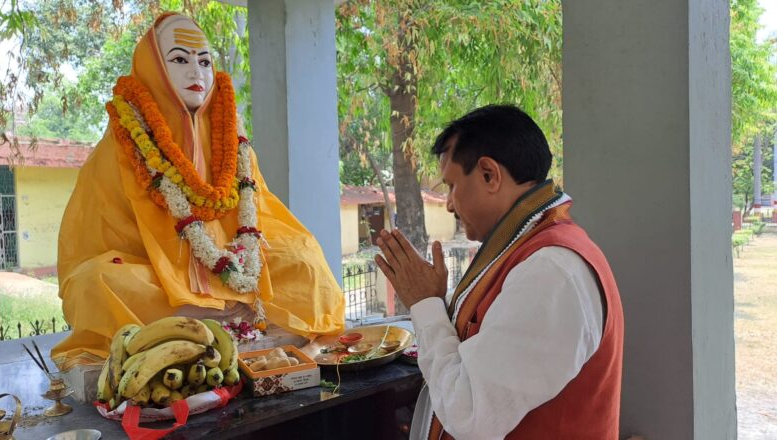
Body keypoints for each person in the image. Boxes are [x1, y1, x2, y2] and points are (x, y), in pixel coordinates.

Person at [52, 13, 344, 371]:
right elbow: (97, 236)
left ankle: (205, 327)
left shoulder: (233, 144)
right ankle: (206, 323)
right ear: (153, 69)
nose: (196, 72)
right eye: (179, 59)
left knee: (305, 257)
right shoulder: (123, 143)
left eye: (204, 61)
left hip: (241, 274)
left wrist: (240, 271)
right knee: (96, 283)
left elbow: (263, 216)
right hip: (160, 279)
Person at [375, 105, 623, 439]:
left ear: (489, 175)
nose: (448, 204)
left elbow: (470, 413)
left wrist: (425, 305)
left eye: (451, 185)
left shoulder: (549, 271)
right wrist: (439, 303)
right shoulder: (527, 254)